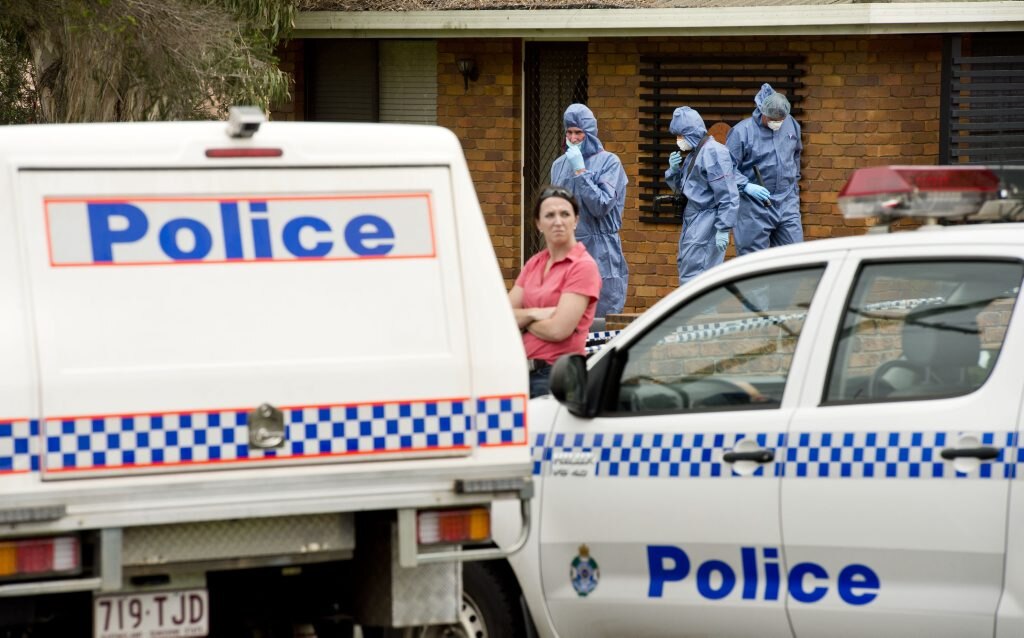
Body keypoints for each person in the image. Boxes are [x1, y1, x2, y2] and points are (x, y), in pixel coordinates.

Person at [509, 186, 601, 398]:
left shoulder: (583, 266)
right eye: (549, 215)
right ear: (539, 224)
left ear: (576, 220)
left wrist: (523, 320)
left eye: (565, 214)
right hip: (522, 373)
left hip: (558, 376)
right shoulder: (534, 263)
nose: (558, 221)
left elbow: (559, 330)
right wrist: (535, 313)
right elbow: (502, 316)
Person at [550, 103, 628, 318]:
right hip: (569, 249)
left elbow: (601, 205)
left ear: (590, 134)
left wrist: (581, 171)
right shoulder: (559, 165)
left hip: (601, 251)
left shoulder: (610, 162)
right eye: (569, 132)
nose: (573, 138)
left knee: (601, 319)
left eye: (579, 133)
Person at [664, 106, 739, 285]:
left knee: (699, 278)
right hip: (694, 220)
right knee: (689, 269)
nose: (678, 140)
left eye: (680, 135)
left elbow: (727, 193)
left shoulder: (713, 152)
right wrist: (674, 171)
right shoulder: (695, 154)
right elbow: (686, 189)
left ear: (690, 132)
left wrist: (723, 227)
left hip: (707, 222)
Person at [726, 83, 803, 256]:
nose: (777, 123)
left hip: (787, 202)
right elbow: (725, 168)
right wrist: (745, 185)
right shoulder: (741, 132)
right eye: (772, 119)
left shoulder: (791, 125)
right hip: (754, 207)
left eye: (780, 120)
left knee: (795, 257)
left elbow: (795, 155)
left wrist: (793, 184)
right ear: (762, 112)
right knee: (752, 262)